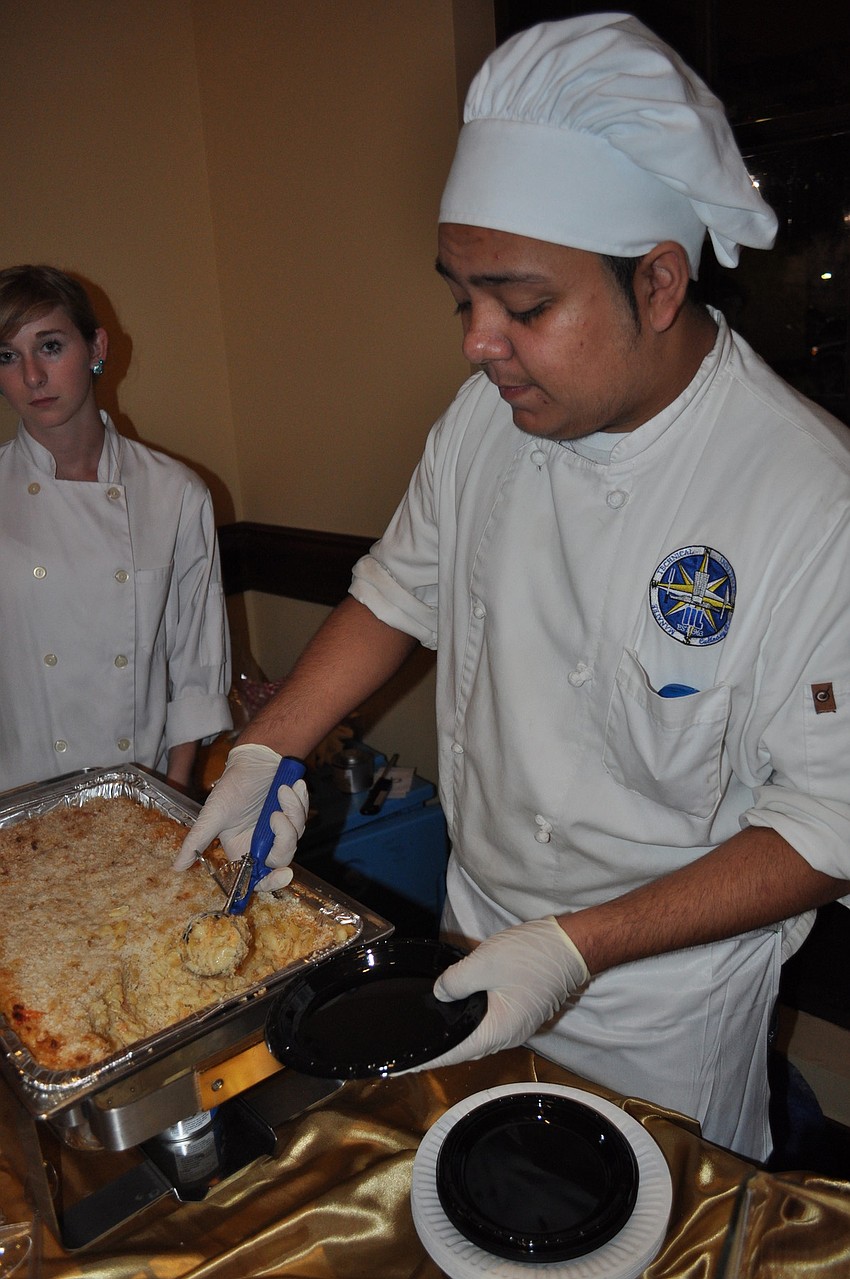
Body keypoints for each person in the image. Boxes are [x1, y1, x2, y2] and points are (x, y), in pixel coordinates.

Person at [175, 14, 850, 1160]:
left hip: (659, 1003)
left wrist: (576, 948)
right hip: (473, 925)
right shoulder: (486, 422)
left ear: (658, 282)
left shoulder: (808, 497)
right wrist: (264, 749)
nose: (478, 343)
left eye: (523, 306)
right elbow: (397, 593)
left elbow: (829, 824)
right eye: (463, 299)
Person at [0, 265, 232, 793]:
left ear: (96, 347)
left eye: (50, 346)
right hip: (13, 797)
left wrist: (170, 794)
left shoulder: (175, 493)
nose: (32, 376)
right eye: (7, 356)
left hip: (139, 794)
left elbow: (194, 667)